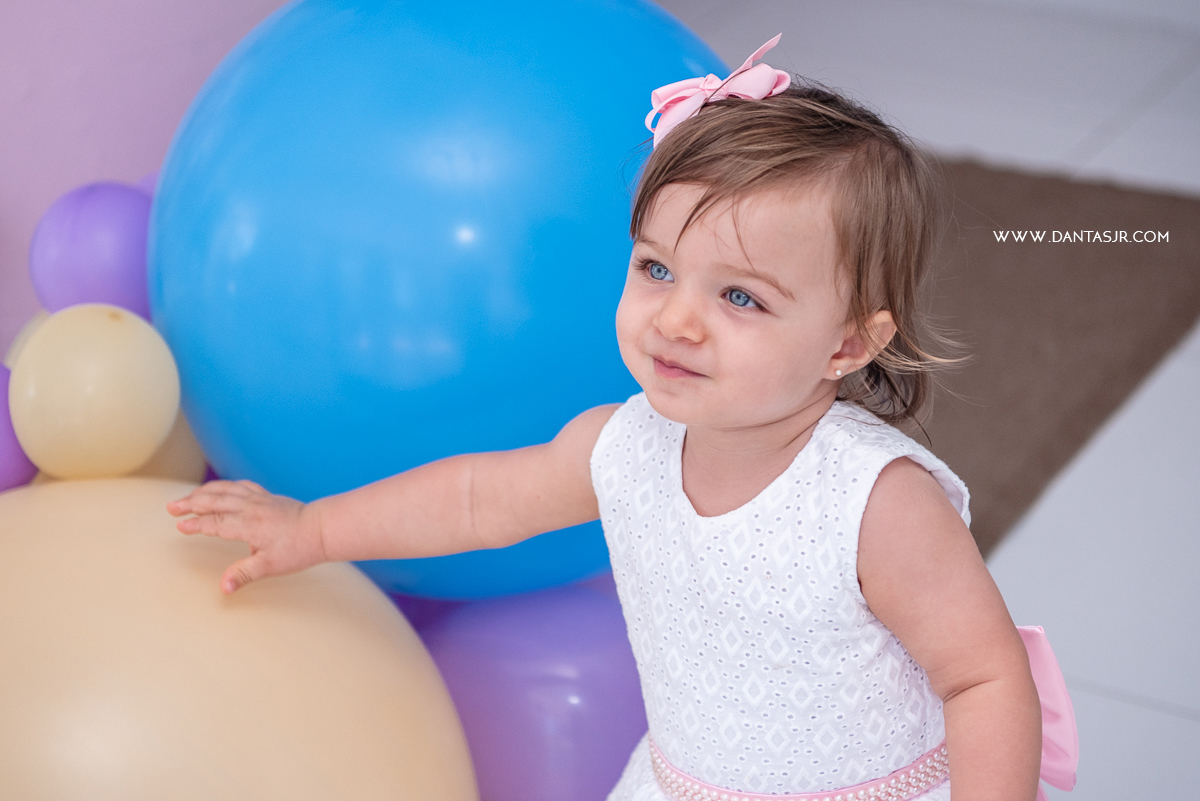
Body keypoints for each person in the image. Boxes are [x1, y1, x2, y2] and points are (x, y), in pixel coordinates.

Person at [168, 36, 1073, 801]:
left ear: (846, 345)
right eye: (657, 269)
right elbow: (479, 499)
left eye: (741, 299)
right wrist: (314, 527)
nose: (677, 319)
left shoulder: (874, 503)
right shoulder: (625, 442)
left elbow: (984, 676)